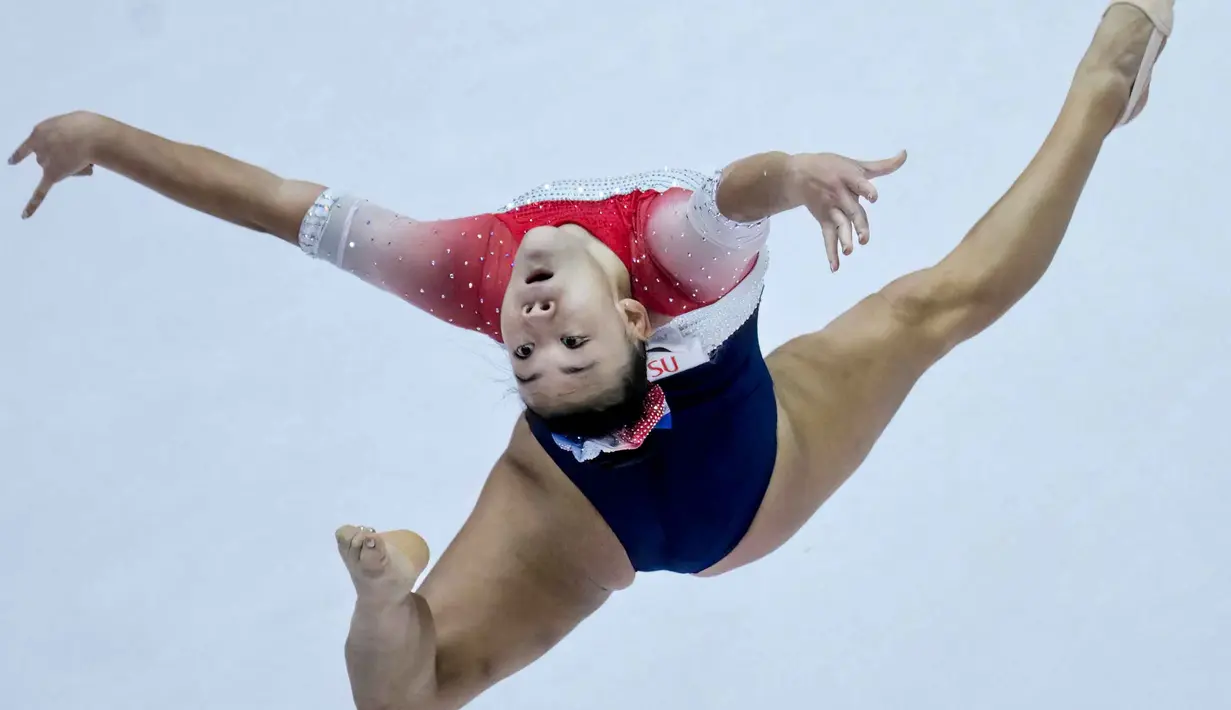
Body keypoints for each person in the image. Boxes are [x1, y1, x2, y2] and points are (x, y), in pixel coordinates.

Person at [8, 1, 1174, 708]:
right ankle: (1100, 92)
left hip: (628, 489)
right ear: (634, 328)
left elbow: (281, 206)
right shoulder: (676, 261)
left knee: (403, 691)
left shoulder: (475, 277)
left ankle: (1100, 85)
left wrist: (111, 137)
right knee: (932, 309)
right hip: (727, 496)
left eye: (533, 350)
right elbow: (744, 189)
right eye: (552, 341)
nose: (527, 322)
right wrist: (799, 169)